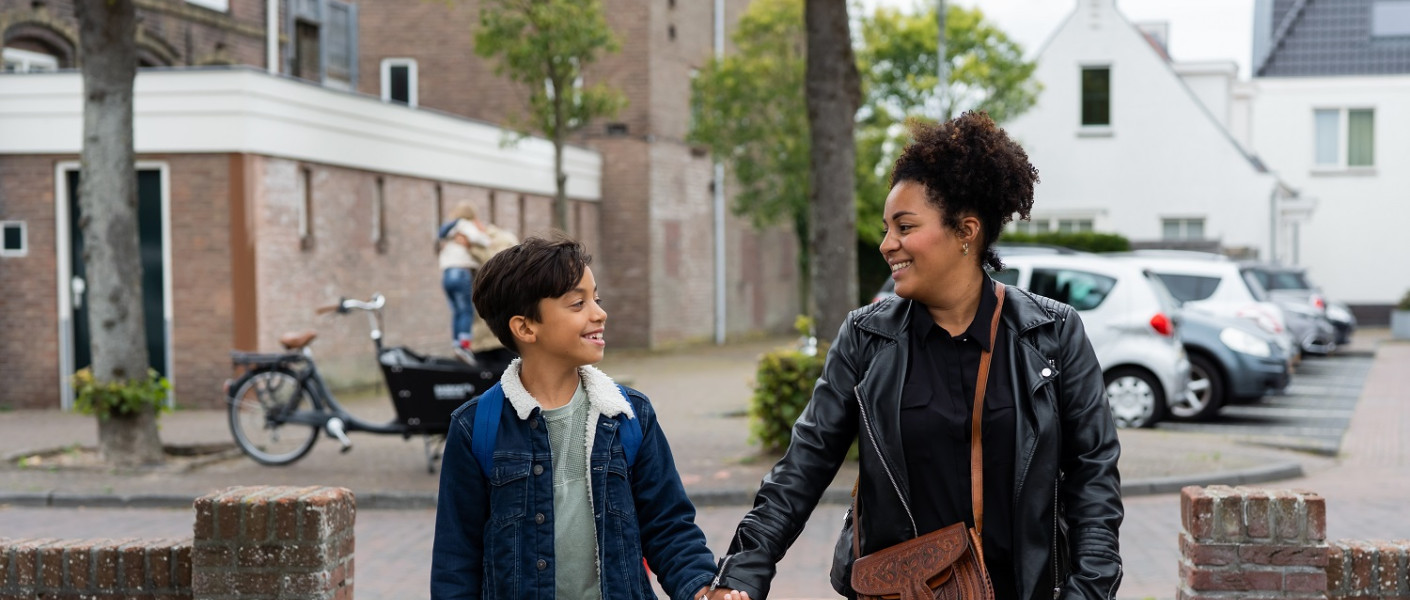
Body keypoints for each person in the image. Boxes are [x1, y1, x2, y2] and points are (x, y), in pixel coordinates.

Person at [707, 112, 1124, 600]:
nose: (887, 245)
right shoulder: (866, 338)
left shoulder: (1052, 334)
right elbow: (803, 466)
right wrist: (741, 572)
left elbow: (1093, 476)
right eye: (886, 228)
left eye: (904, 226)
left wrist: (1089, 591)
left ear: (966, 230)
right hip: (901, 591)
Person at [430, 235, 739, 600]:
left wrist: (702, 589)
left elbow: (669, 527)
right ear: (526, 327)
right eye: (578, 303)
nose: (599, 313)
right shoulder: (475, 427)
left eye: (597, 299)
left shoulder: (630, 415)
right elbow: (456, 561)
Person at [438, 203, 490, 363]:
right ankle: (465, 346)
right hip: (461, 273)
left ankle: (456, 344)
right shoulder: (464, 225)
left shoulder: (449, 230)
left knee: (457, 311)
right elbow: (484, 241)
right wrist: (482, 234)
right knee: (466, 310)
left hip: (447, 275)